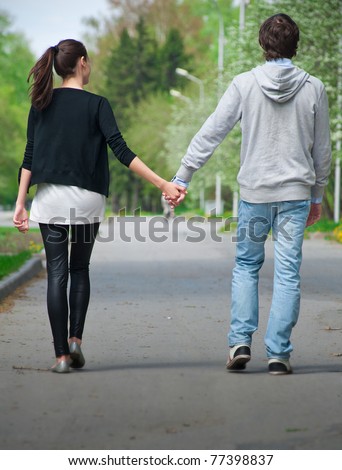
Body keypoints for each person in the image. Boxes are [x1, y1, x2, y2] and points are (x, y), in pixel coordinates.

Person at [171, 14, 331, 375]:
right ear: (295, 45)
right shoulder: (314, 87)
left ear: (263, 44)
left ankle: (240, 342)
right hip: (295, 194)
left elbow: (212, 131)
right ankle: (279, 353)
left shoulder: (244, 84)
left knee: (246, 265)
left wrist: (183, 175)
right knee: (288, 273)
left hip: (255, 194)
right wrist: (317, 196)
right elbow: (322, 151)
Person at [13, 39, 185, 373]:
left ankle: (61, 356)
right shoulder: (97, 105)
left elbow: (29, 156)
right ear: (81, 63)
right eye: (88, 62)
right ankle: (76, 339)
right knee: (79, 269)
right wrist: (162, 183)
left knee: (56, 274)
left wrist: (21, 202)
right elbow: (122, 151)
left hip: (49, 199)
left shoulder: (41, 104)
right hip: (87, 199)